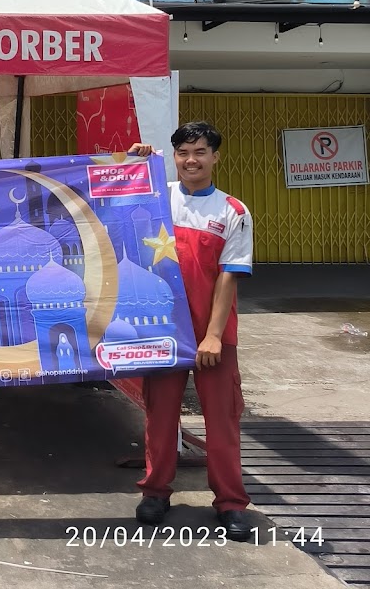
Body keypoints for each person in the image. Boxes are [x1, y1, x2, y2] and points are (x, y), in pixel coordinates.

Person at [129, 122, 254, 542]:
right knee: (160, 416)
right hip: (163, 328)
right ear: (174, 157)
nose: (191, 160)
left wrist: (213, 335)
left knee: (222, 420)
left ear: (215, 156)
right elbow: (115, 204)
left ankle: (231, 503)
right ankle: (155, 492)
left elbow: (228, 276)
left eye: (200, 151)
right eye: (183, 152)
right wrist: (133, 165)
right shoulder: (156, 195)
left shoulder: (232, 211)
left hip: (212, 332)